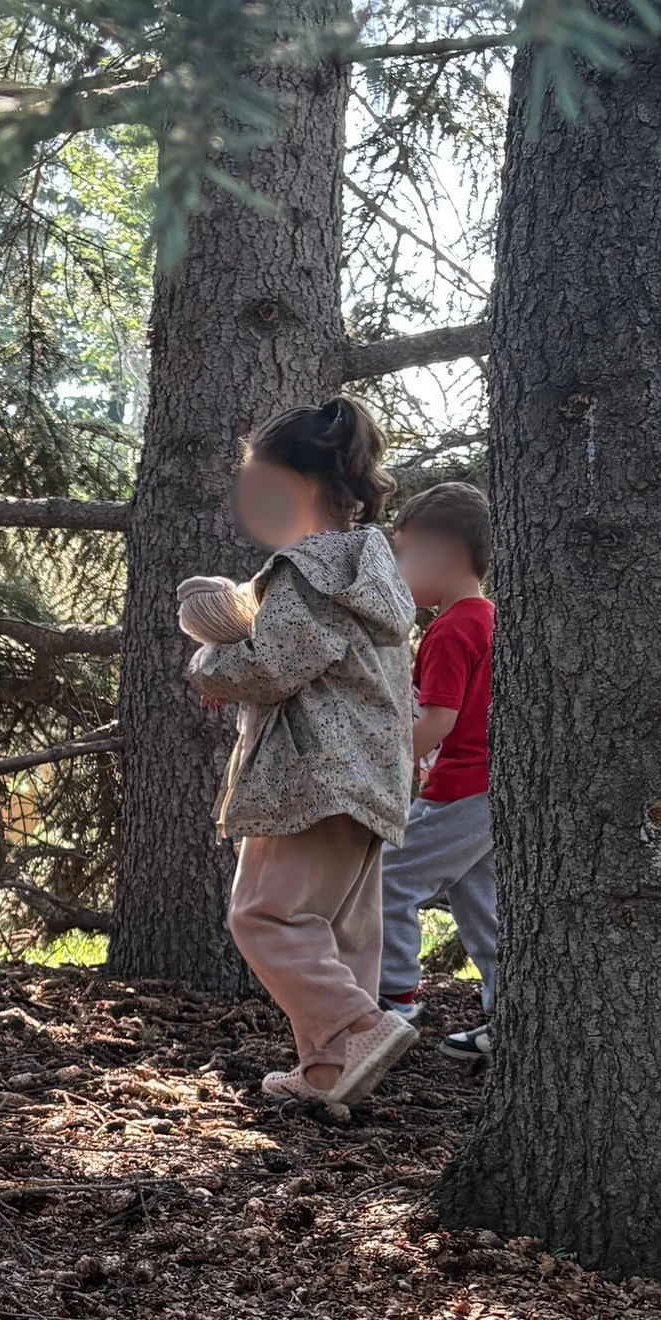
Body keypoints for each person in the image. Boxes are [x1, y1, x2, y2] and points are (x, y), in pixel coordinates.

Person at [180, 398, 418, 1119]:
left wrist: (210, 664)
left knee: (265, 916)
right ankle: (327, 1072)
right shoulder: (374, 567)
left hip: (312, 777)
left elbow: (275, 662)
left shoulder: (305, 569)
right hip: (374, 777)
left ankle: (355, 1027)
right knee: (341, 932)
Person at [378, 480, 498, 1060]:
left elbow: (439, 721)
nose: (398, 570)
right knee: (486, 909)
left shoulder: (451, 629)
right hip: (494, 791)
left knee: (388, 877)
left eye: (405, 553)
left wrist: (381, 755)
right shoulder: (489, 619)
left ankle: (393, 1000)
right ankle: (510, 1017)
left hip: (462, 787)